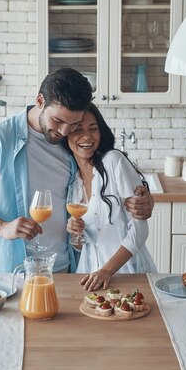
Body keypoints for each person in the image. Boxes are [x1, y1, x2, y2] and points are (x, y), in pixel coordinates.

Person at [0, 68, 154, 273]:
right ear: (40, 101)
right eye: (58, 121)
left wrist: (144, 201)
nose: (64, 131)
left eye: (73, 123)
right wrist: (2, 227)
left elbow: (100, 185)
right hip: (14, 271)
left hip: (67, 268)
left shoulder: (70, 141)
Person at [64, 103, 157, 290]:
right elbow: (84, 246)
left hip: (128, 273)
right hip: (90, 276)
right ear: (66, 135)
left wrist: (107, 270)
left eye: (93, 129)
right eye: (78, 129)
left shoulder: (114, 161)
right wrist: (75, 235)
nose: (87, 136)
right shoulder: (73, 183)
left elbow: (140, 229)